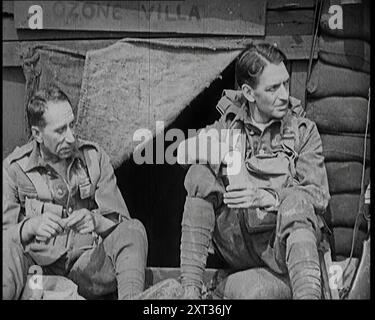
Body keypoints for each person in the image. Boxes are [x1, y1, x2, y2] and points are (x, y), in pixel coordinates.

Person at [177, 43, 331, 299]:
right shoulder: (229, 125)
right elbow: (182, 153)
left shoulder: (303, 131)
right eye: (272, 88)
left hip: (282, 252)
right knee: (199, 175)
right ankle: (190, 293)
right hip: (238, 247)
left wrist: (266, 197)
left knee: (297, 202)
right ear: (249, 92)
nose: (284, 95)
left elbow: (319, 196)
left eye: (285, 84)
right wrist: (222, 152)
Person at [3, 86, 148, 300]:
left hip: (88, 270)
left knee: (134, 230)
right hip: (37, 277)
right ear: (37, 134)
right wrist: (30, 227)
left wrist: (96, 222)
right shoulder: (14, 169)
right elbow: (7, 238)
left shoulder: (93, 158)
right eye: (60, 130)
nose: (70, 137)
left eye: (72, 125)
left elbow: (121, 227)